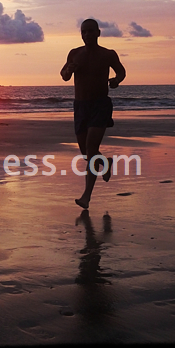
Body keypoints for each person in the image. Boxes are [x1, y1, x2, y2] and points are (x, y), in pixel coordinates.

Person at [60, 18, 126, 209]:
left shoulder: (108, 54)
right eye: (84, 31)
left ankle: (86, 196)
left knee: (90, 149)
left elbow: (121, 72)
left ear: (98, 33)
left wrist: (116, 81)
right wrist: (68, 70)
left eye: (90, 31)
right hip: (81, 107)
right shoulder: (74, 53)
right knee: (85, 152)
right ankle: (105, 162)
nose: (87, 34)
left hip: (100, 105)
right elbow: (64, 76)